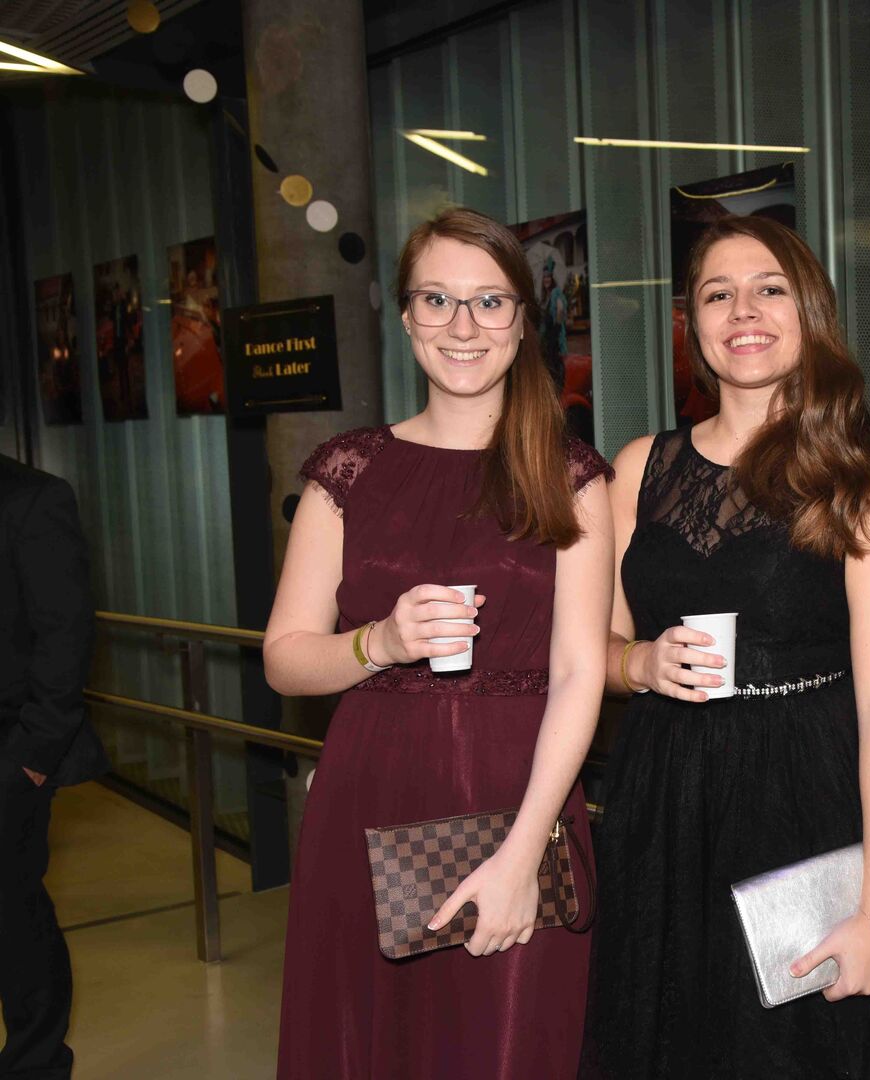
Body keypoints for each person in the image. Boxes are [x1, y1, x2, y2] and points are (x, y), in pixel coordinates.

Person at [268, 207, 612, 1080]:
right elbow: (285, 657)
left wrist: (524, 854)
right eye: (437, 299)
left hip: (520, 802)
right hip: (368, 803)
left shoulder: (569, 475)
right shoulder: (347, 472)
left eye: (489, 302)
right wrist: (378, 642)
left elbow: (580, 673)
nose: (463, 326)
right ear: (407, 315)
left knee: (507, 1048)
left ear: (523, 322)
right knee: (369, 1048)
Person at [580, 215, 870, 1078]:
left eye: (769, 289)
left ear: (809, 311)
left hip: (806, 799)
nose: (743, 310)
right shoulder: (638, 468)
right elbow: (596, 646)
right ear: (693, 324)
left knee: (798, 1053)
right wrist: (637, 664)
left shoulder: (860, 481)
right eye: (717, 294)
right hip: (663, 800)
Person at [0, 456, 105, 1080]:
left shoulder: (32, 498)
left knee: (13, 914)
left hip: (9, 751)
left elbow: (66, 636)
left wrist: (30, 761)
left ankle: (35, 1063)